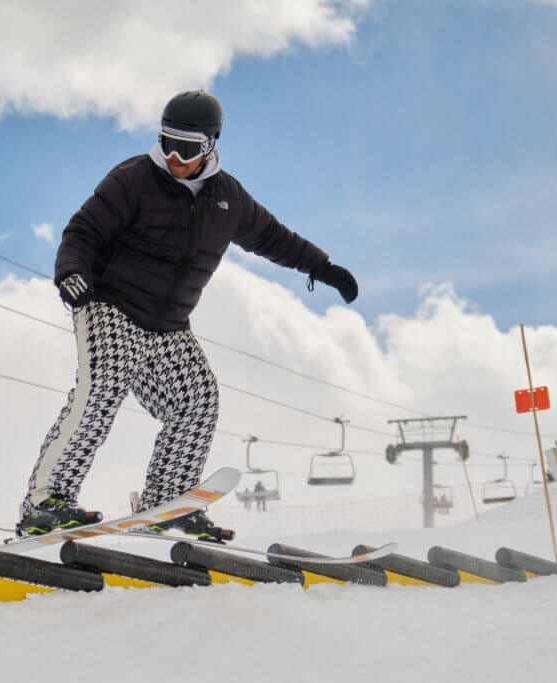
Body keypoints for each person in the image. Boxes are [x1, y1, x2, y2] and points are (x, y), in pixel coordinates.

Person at [18, 90, 357, 542]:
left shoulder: (228, 198)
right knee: (101, 389)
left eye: (189, 148)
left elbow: (274, 238)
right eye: (167, 142)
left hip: (169, 327)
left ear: (211, 146)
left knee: (198, 399)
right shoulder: (132, 179)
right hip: (111, 308)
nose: (175, 157)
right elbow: (83, 230)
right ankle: (46, 501)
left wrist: (321, 267)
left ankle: (168, 500)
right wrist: (70, 273)